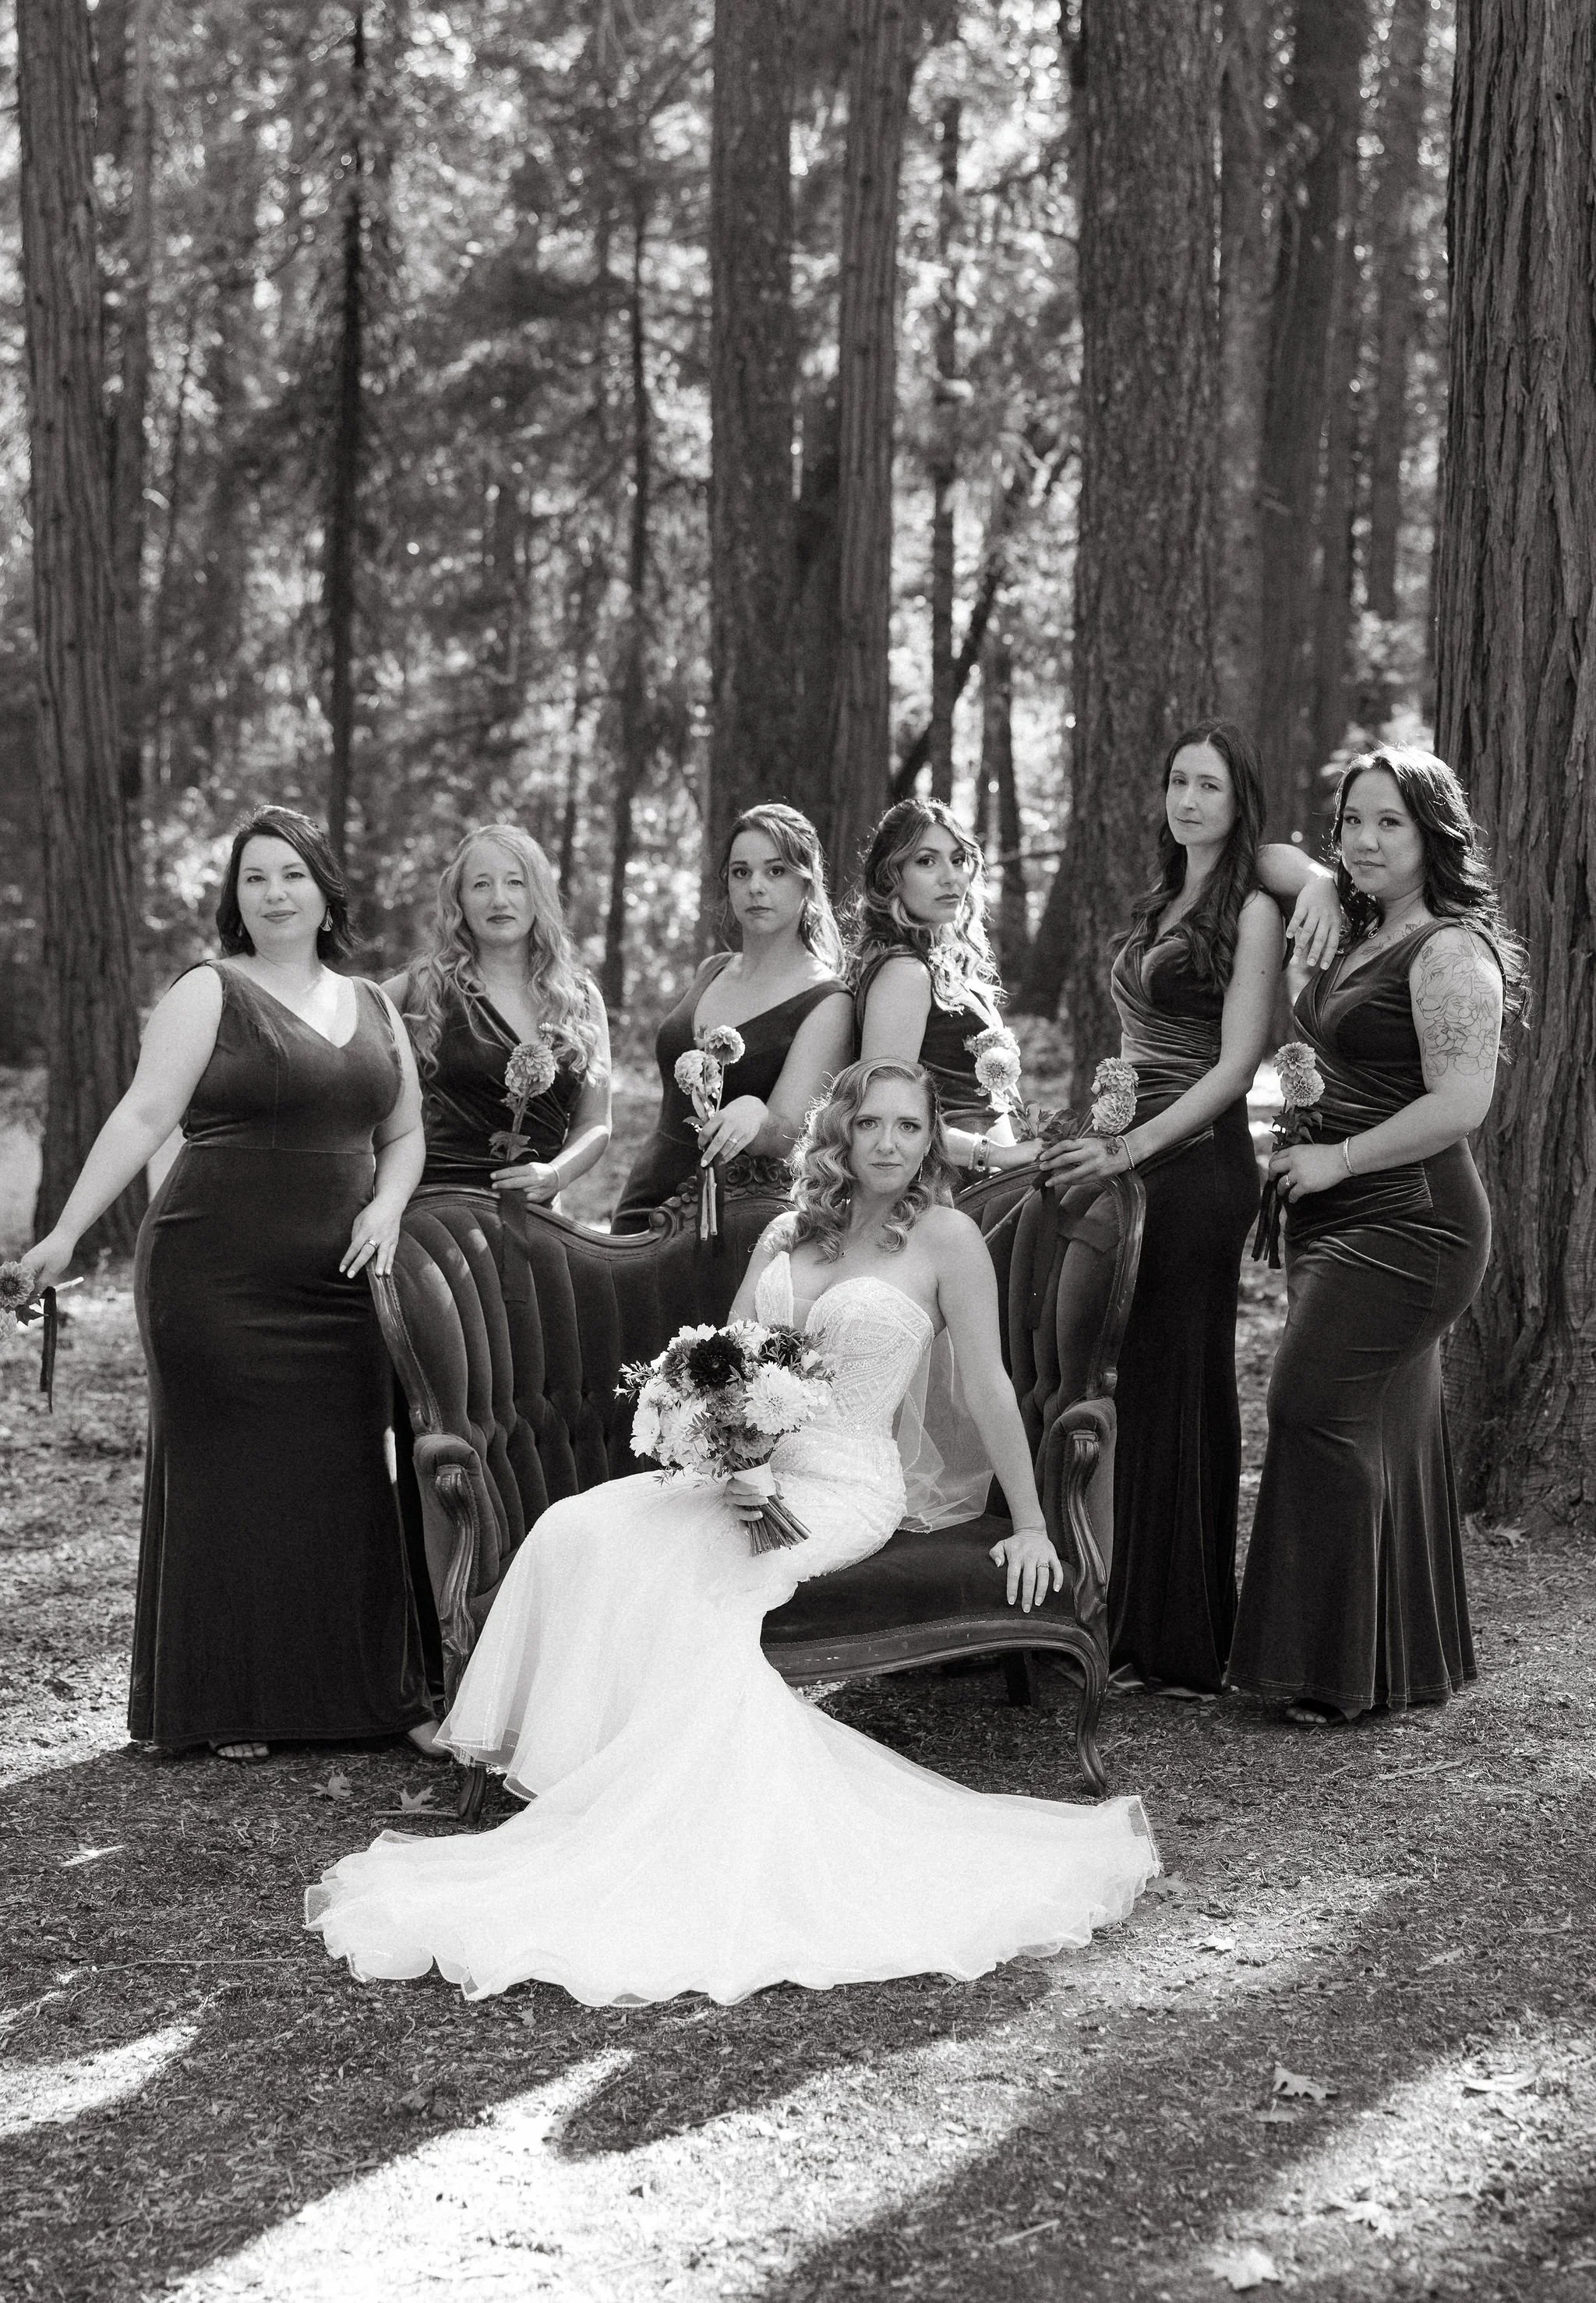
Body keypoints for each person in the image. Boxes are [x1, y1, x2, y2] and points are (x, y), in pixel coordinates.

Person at [305, 1059, 1160, 2004]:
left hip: (843, 1484)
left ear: (928, 1141)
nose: (885, 1143)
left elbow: (985, 1387)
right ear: (837, 1134)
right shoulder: (793, 1231)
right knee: (577, 1527)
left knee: (706, 1587)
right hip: (745, 1471)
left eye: (908, 1128)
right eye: (868, 1124)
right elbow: (723, 1362)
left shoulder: (949, 1238)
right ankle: (596, 1788)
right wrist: (725, 1455)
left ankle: (673, 1826)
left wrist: (1034, 1519)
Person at [15, 806, 433, 1761]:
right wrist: (67, 1233)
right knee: (232, 1487)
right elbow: (142, 1114)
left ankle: (373, 1694)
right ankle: (229, 1699)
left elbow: (402, 1133)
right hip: (215, 1274)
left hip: (340, 1278)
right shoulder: (208, 990)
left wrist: (388, 1206)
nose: (274, 893)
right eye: (254, 878)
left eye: (291, 874)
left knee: (342, 1484)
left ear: (327, 893)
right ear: (235, 897)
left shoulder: (372, 1002)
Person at [1038, 725, 1344, 1698]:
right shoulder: (1157, 899)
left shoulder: (1248, 905)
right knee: (1128, 1387)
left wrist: (1131, 1145)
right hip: (1132, 1154)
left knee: (1182, 1386)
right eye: (1176, 780)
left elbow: (1234, 1063)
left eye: (1208, 785)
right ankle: (1121, 1615)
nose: (1187, 799)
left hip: (1198, 1163)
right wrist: (1101, 1131)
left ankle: (1181, 1642)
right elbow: (1134, 1041)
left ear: (1234, 799)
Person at [1228, 747, 1522, 1726]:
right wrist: (1315, 875)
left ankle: (1322, 1668)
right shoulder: (1355, 921)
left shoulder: (1445, 951)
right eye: (1351, 820)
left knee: (1308, 1404)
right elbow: (1264, 854)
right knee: (1382, 1424)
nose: (1362, 839)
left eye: (1388, 822)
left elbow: (1461, 1104)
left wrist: (1335, 1160)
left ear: (1430, 835)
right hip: (1340, 1219)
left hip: (1411, 1221)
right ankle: (1390, 1665)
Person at [611, 804, 853, 1231]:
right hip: (645, 1198)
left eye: (775, 871)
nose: (755, 886)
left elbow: (789, 1131)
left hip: (728, 1218)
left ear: (807, 882)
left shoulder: (828, 1000)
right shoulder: (713, 969)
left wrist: (755, 1113)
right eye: (742, 872)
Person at [386, 825, 611, 1203]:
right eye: (481, 885)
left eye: (515, 883)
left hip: (538, 1220)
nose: (499, 900)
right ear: (459, 898)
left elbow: (596, 1122)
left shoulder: (581, 999)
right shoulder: (422, 989)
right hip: (440, 1213)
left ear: (537, 894)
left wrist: (557, 1174)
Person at [853, 798, 1040, 1186]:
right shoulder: (904, 973)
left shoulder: (947, 968)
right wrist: (995, 1155)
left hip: (988, 1184)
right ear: (891, 876)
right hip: (941, 1192)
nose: (950, 877)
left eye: (958, 860)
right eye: (926, 861)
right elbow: (884, 1116)